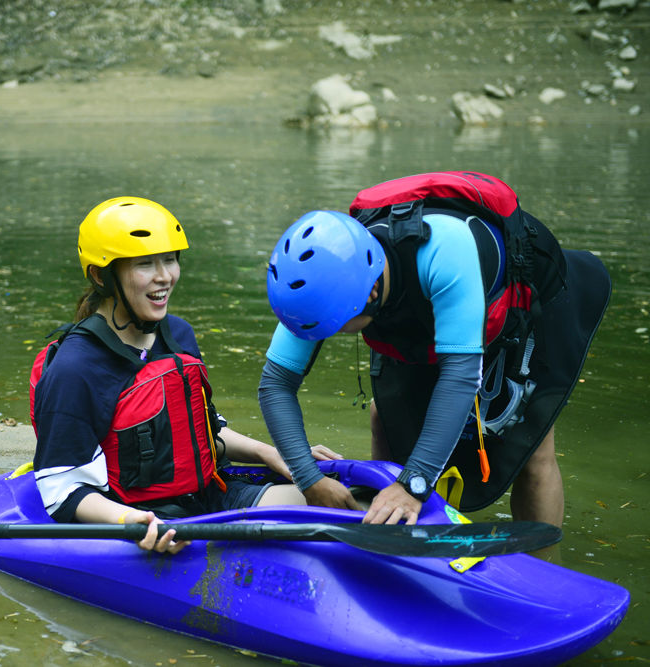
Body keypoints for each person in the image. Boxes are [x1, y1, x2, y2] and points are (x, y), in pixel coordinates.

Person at [260, 171, 611, 526]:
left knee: (532, 448)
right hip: (417, 311)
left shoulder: (444, 250)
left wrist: (414, 485)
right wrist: (309, 479)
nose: (326, 334)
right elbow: (275, 385)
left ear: (369, 295)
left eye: (333, 327)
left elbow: (459, 378)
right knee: (384, 415)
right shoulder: (319, 282)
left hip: (515, 303)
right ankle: (389, 524)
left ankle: (543, 568)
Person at [31, 196, 346, 554]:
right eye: (145, 264)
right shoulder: (75, 368)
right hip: (145, 517)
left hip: (212, 498)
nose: (164, 276)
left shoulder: (178, 334)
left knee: (352, 504)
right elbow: (62, 489)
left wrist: (270, 453)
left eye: (169, 260)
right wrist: (130, 523)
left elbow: (206, 430)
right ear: (102, 276)